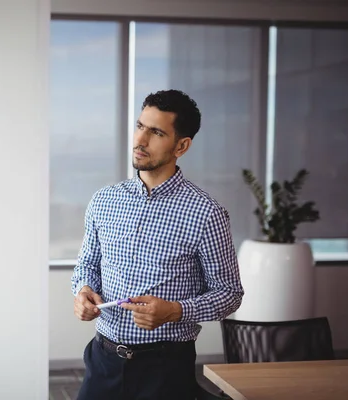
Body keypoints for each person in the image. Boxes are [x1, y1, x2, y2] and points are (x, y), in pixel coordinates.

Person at [71, 89, 244, 400]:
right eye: (140, 126)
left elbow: (229, 295)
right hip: (103, 361)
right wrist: (82, 291)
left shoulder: (206, 213)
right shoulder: (103, 200)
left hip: (165, 369)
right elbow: (87, 265)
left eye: (156, 132)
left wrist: (176, 311)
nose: (140, 140)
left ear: (182, 145)